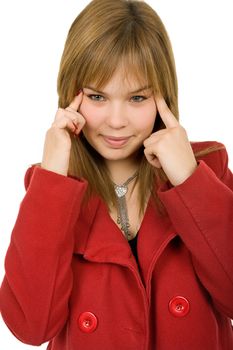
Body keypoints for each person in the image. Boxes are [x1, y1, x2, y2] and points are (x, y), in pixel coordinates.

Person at [0, 0, 232, 349]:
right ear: (70, 96)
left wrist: (189, 178)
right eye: (97, 96)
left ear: (162, 97)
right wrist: (52, 178)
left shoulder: (206, 168)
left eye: (137, 98)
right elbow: (31, 327)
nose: (117, 120)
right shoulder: (51, 189)